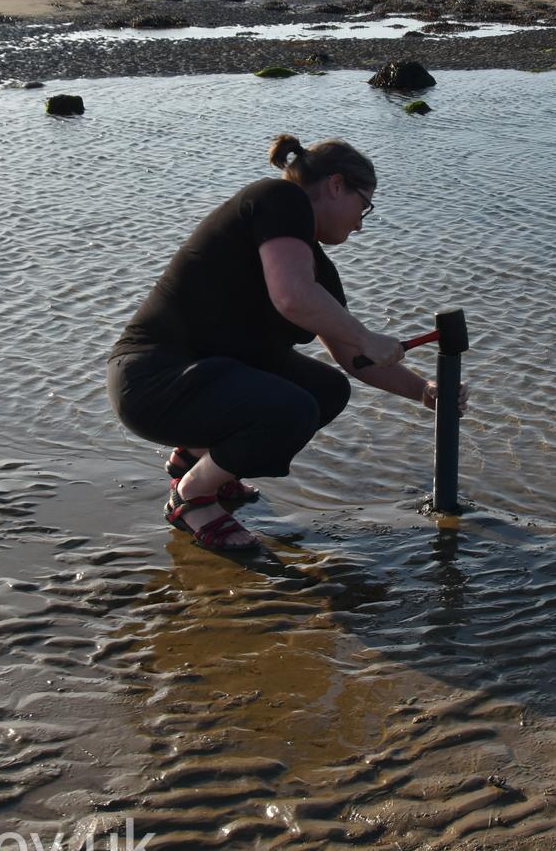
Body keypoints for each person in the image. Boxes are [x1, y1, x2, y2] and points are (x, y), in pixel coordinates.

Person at [106, 134, 466, 553]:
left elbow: (355, 357)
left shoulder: (317, 267)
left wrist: (424, 391)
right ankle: (192, 497)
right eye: (363, 205)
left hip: (196, 383)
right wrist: (366, 333)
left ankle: (194, 456)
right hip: (153, 381)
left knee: (326, 390)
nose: (361, 222)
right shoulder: (279, 198)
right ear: (336, 185)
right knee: (293, 408)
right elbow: (292, 297)